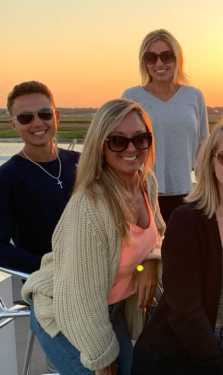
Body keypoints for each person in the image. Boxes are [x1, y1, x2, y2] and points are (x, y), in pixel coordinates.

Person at [22, 99, 166, 375]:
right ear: (101, 145)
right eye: (117, 141)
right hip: (66, 311)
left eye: (140, 138)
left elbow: (158, 234)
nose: (131, 148)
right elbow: (80, 297)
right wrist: (101, 359)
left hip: (110, 308)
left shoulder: (145, 182)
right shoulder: (90, 207)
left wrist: (148, 261)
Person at [132, 118, 223, 375]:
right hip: (176, 353)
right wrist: (219, 367)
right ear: (210, 161)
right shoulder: (188, 221)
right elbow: (184, 312)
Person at [123, 28, 209, 223]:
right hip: (141, 195)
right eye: (151, 57)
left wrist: (208, 192)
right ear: (143, 62)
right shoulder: (131, 97)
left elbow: (204, 147)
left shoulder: (194, 96)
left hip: (187, 194)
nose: (159, 63)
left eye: (166, 56)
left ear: (178, 58)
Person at [0, 81, 79, 273]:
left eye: (45, 114)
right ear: (13, 123)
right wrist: (48, 267)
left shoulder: (82, 163)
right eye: (26, 117)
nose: (37, 123)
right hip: (45, 285)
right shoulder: (7, 177)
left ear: (56, 117)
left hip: (99, 276)